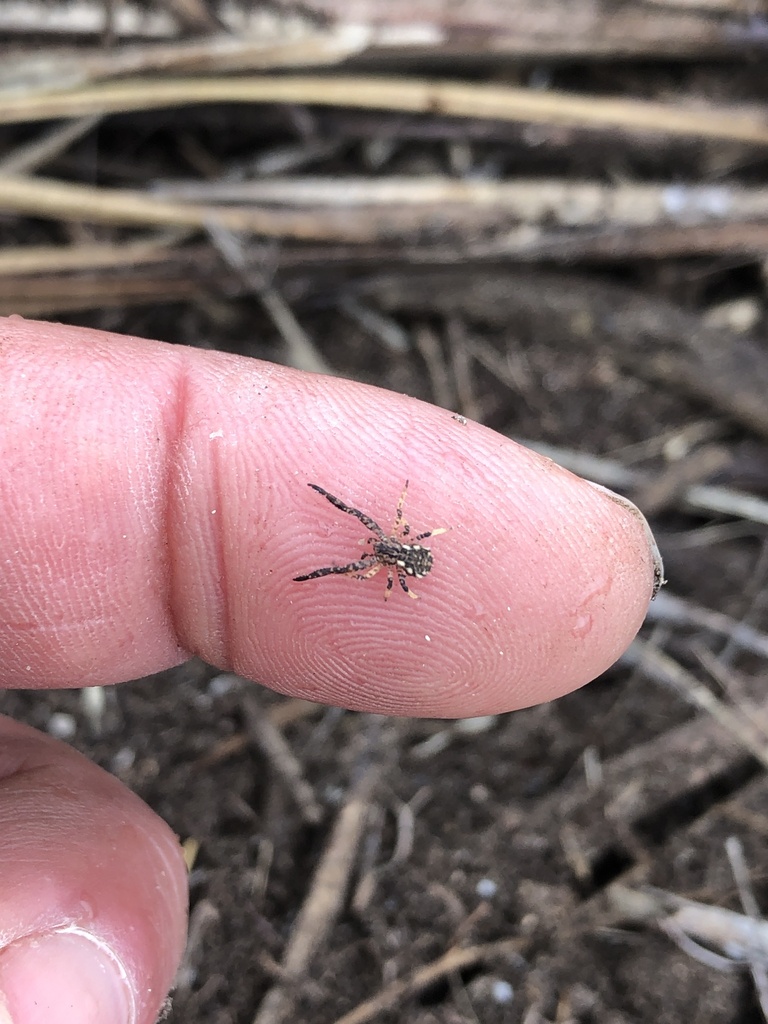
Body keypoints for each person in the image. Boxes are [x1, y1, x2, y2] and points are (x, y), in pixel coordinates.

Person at [0, 315, 662, 1024]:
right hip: (400, 550)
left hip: (405, 556)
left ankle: (316, 561)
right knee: (351, 539)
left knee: (350, 557)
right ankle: (315, 535)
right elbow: (405, 534)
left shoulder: (397, 557)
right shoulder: (397, 544)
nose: (388, 550)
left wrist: (381, 557)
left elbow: (409, 555)